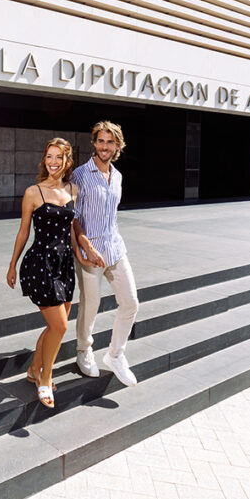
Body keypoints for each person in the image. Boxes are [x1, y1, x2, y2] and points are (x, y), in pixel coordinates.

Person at [6, 137, 79, 409]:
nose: (53, 162)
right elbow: (24, 230)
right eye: (49, 156)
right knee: (60, 326)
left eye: (58, 157)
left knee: (54, 326)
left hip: (65, 265)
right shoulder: (33, 192)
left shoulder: (73, 189)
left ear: (67, 161)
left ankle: (34, 369)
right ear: (44, 159)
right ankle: (45, 380)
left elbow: (70, 228)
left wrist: (80, 253)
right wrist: (12, 264)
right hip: (40, 264)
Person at [71, 120, 140, 386]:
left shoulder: (118, 176)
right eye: (100, 141)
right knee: (91, 304)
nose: (104, 146)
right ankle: (83, 349)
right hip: (89, 251)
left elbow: (111, 216)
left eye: (109, 142)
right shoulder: (80, 174)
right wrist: (83, 248)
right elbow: (74, 217)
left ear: (117, 145)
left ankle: (115, 354)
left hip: (115, 247)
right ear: (94, 143)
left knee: (131, 302)